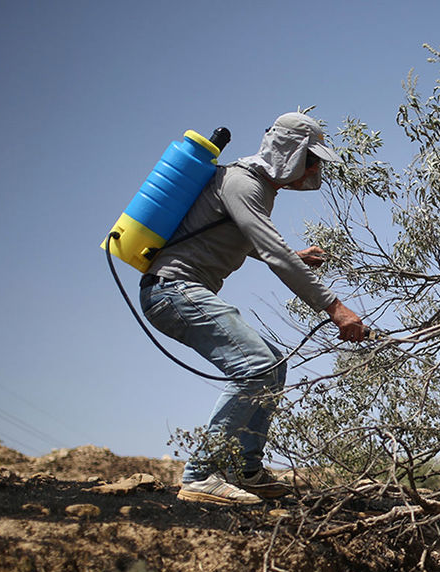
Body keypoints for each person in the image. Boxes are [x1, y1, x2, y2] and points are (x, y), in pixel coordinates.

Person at [138, 112, 365, 505]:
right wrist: (336, 308)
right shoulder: (244, 182)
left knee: (272, 364)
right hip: (173, 290)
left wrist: (292, 254)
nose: (314, 170)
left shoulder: (256, 188)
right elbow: (273, 252)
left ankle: (247, 470)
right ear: (292, 153)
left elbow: (246, 240)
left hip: (180, 291)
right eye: (312, 159)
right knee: (256, 365)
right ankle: (201, 475)